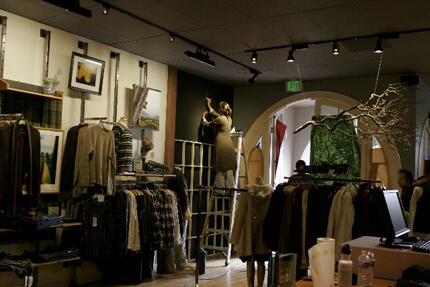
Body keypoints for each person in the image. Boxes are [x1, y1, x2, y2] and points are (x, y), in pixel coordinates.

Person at [202, 98, 237, 190]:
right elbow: (215, 114)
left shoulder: (220, 119)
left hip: (220, 145)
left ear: (221, 109)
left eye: (218, 108)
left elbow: (207, 125)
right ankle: (230, 189)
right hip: (229, 145)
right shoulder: (229, 119)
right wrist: (209, 105)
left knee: (220, 168)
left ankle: (220, 189)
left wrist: (203, 118)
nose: (217, 109)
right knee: (229, 169)